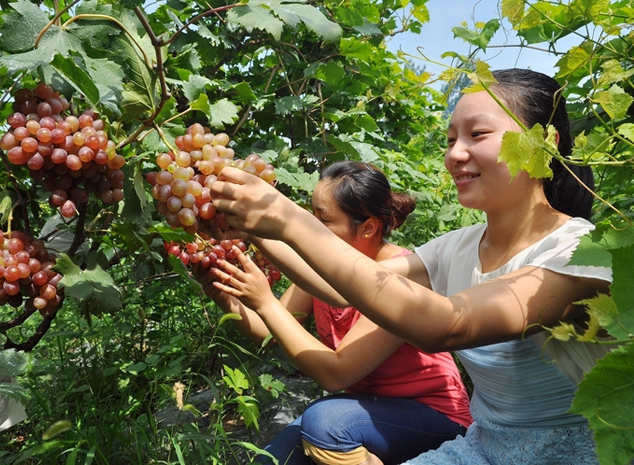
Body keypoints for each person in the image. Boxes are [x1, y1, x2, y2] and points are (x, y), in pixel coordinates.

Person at [208, 68, 613, 465]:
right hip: (484, 448)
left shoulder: (580, 251)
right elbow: (339, 288)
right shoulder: (459, 246)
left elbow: (451, 324)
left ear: (544, 143)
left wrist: (288, 220)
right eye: (451, 138)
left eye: (477, 134)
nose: (455, 153)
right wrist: (256, 229)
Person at [196, 161, 472, 464]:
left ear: (367, 226)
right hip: (363, 411)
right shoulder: (320, 269)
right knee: (272, 460)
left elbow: (337, 373)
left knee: (325, 423)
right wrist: (221, 293)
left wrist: (266, 301)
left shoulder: (399, 279)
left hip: (433, 416)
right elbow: (267, 333)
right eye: (311, 214)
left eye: (322, 220)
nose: (311, 227)